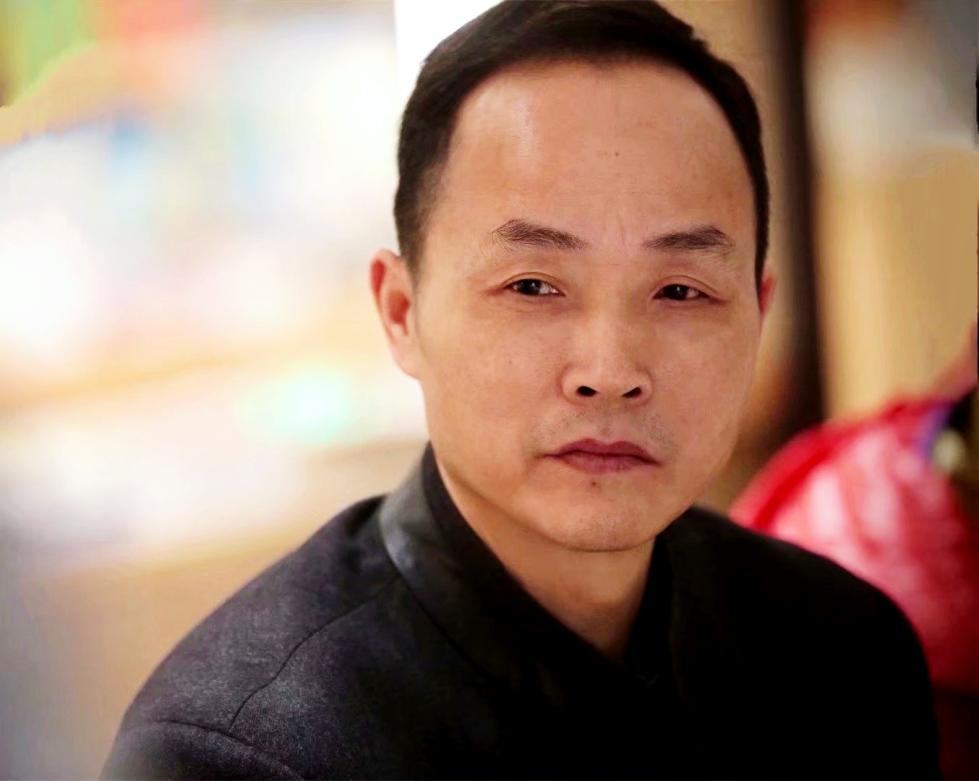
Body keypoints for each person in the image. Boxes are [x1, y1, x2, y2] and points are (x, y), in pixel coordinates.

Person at [102, 2, 939, 778]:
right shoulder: (241, 754)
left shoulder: (844, 654)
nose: (609, 369)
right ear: (401, 313)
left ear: (757, 313)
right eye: (532, 285)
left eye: (680, 290)